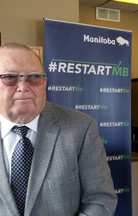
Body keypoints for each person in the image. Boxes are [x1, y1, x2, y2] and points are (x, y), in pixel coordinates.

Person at [0, 43, 117, 215]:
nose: (23, 87)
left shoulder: (82, 128)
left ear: (45, 82)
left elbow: (100, 200)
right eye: (10, 77)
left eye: (34, 77)